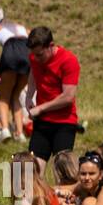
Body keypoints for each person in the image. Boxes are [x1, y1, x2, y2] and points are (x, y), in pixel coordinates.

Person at [24, 27, 80, 168]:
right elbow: (33, 73)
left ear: (51, 45)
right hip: (42, 123)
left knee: (63, 172)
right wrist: (29, 96)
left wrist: (41, 108)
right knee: (32, 171)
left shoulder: (69, 60)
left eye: (40, 55)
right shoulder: (34, 57)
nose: (36, 58)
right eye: (34, 54)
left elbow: (68, 97)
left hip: (64, 123)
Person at [0, 9, 30, 142]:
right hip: (27, 54)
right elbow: (33, 36)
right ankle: (20, 133)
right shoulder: (20, 27)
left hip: (10, 51)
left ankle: (5, 130)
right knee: (16, 94)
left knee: (4, 97)